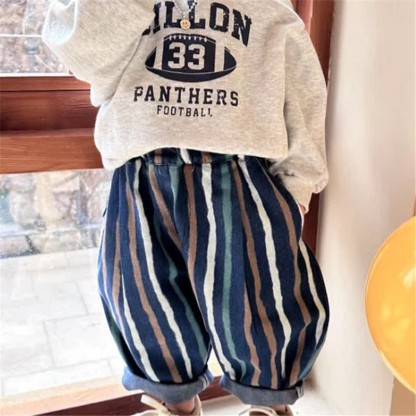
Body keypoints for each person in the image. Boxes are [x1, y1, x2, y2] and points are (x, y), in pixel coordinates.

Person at [41, 1, 330, 415]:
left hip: (240, 176)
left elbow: (301, 95)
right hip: (141, 176)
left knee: (262, 303)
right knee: (142, 299)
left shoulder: (269, 7)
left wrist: (297, 186)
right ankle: (173, 404)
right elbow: (78, 50)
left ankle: (267, 406)